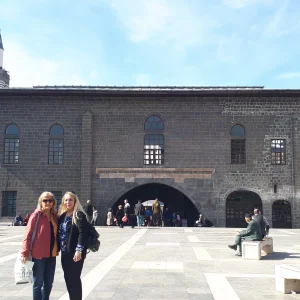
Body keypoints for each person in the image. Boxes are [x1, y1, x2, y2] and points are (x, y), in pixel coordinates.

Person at [20, 191, 58, 300]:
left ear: (53, 202)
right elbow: (28, 235)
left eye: (50, 200)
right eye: (45, 200)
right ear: (40, 202)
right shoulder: (36, 215)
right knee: (38, 283)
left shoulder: (54, 216)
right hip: (39, 255)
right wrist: (25, 253)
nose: (48, 202)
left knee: (49, 283)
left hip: (52, 254)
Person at [58, 191, 89, 300]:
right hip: (65, 252)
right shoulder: (62, 216)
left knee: (74, 278)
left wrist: (79, 250)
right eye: (66, 200)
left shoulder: (78, 214)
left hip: (76, 253)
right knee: (67, 278)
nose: (68, 202)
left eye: (70, 200)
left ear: (75, 201)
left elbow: (83, 233)